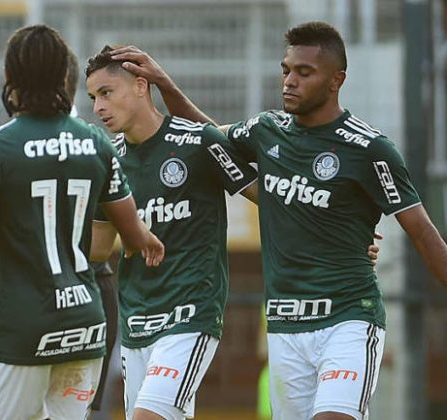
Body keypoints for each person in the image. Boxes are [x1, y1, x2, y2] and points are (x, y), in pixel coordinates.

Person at [111, 21, 447, 420]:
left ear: (336, 81)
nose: (289, 81)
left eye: (304, 72)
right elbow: (206, 137)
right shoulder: (267, 130)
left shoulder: (369, 149)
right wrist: (165, 84)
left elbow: (421, 230)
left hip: (348, 318)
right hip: (285, 327)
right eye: (286, 70)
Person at [0, 24, 164, 419]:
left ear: (10, 76)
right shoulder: (95, 142)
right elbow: (134, 233)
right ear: (65, 76)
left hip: (20, 332)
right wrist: (148, 240)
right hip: (85, 327)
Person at [85, 45, 259, 420]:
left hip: (189, 315)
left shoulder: (199, 142)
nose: (98, 107)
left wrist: (347, 235)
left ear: (141, 86)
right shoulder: (108, 161)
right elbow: (96, 250)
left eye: (106, 93)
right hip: (136, 323)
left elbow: (270, 198)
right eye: (93, 97)